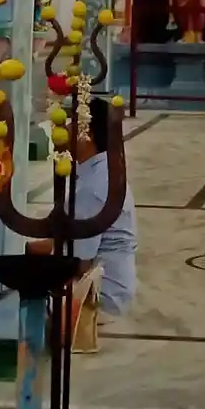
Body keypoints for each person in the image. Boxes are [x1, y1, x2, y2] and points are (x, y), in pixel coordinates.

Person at [65, 98, 138, 347]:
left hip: (100, 297)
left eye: (70, 124)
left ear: (88, 134)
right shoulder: (100, 170)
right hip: (113, 289)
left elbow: (78, 259)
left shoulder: (95, 185)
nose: (64, 130)